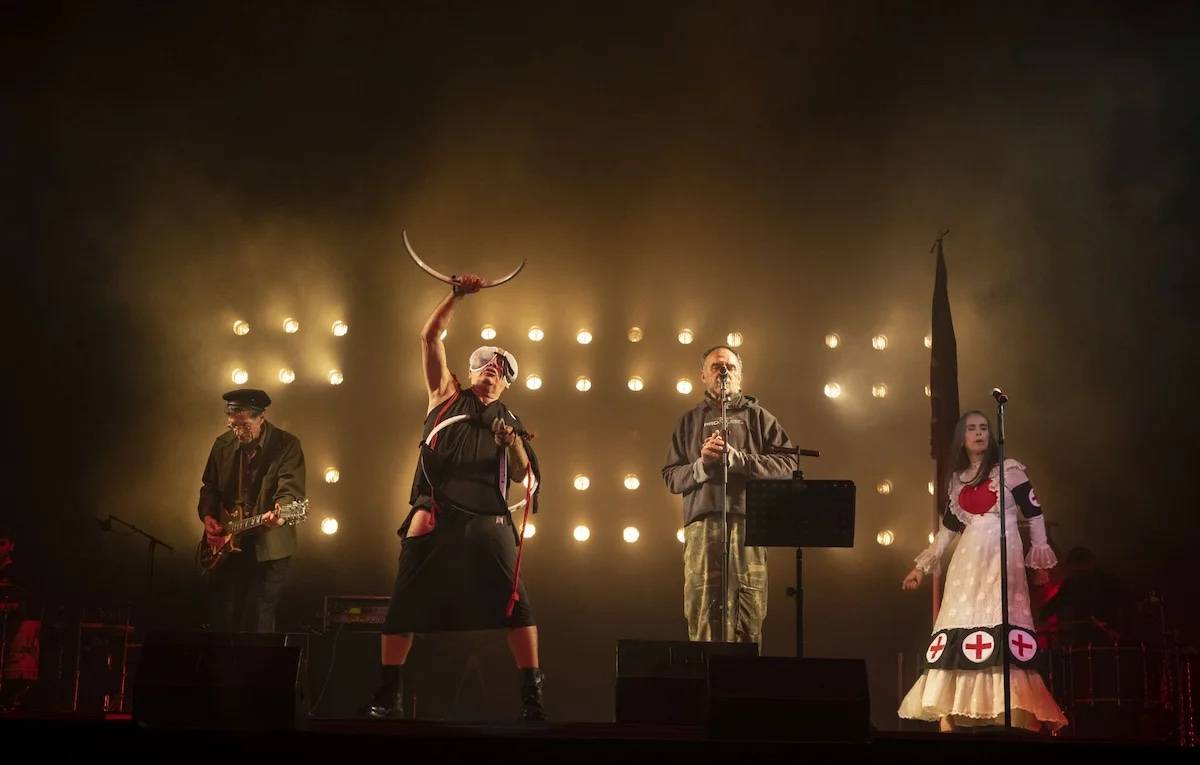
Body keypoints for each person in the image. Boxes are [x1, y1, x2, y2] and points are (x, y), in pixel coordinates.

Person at [368, 273, 545, 721]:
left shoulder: (511, 420)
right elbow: (428, 337)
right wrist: (456, 295)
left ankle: (532, 698)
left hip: (489, 520)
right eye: (486, 363)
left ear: (507, 384)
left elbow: (527, 476)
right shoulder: (446, 396)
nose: (493, 369)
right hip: (437, 513)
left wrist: (511, 442)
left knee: (517, 606)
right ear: (470, 372)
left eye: (502, 369)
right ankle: (387, 696)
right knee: (404, 606)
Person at [898, 410, 1066, 732]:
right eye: (972, 429)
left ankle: (1018, 715)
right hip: (967, 560)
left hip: (1003, 554)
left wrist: (1040, 556)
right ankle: (952, 715)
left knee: (1003, 620)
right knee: (961, 621)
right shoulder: (957, 479)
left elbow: (1034, 514)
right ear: (962, 436)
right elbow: (948, 529)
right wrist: (921, 567)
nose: (979, 433)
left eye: (985, 428)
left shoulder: (1010, 470)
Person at [662, 345, 797, 644]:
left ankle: (745, 683)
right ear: (702, 375)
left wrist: (739, 461)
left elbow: (789, 464)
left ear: (740, 375)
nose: (723, 371)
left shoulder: (759, 417)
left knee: (747, 608)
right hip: (702, 525)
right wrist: (701, 466)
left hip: (749, 523)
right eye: (716, 366)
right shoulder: (688, 421)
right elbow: (671, 476)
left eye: (730, 367)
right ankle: (706, 682)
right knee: (702, 606)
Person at [198, 388, 305, 633]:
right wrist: (208, 517)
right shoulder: (222, 445)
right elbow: (209, 488)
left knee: (259, 612)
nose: (238, 432)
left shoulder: (286, 445)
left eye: (244, 426)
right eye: (233, 426)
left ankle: (259, 669)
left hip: (270, 545)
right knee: (226, 612)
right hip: (229, 542)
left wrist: (281, 514)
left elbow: (291, 489)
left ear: (261, 417)